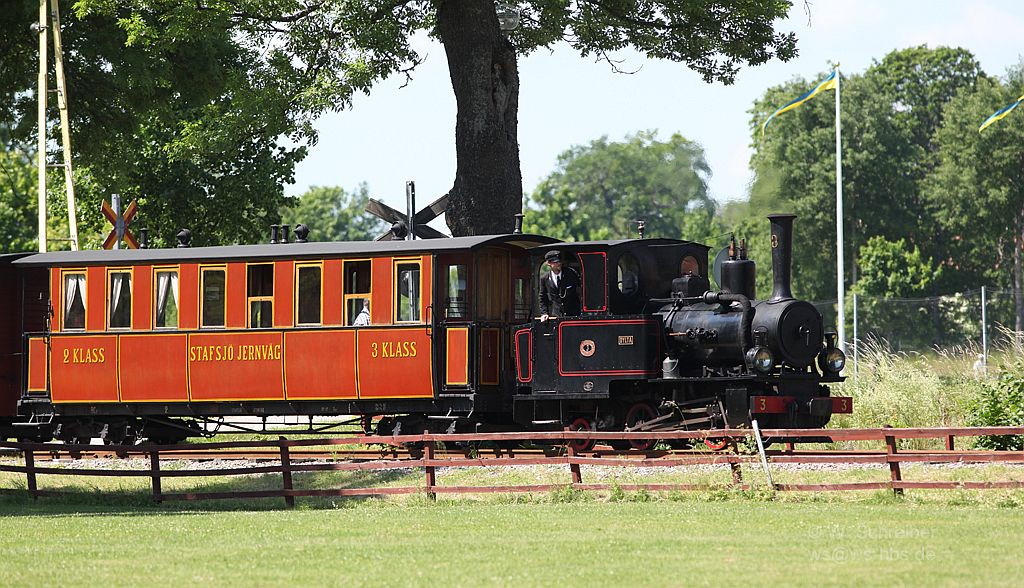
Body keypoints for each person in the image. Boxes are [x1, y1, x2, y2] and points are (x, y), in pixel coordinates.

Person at [539, 250, 580, 322]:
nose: (559, 264)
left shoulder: (571, 273)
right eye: (556, 262)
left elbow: (581, 288)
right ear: (549, 263)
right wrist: (544, 313)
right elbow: (542, 297)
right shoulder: (544, 278)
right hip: (557, 316)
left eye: (559, 261)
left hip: (574, 315)